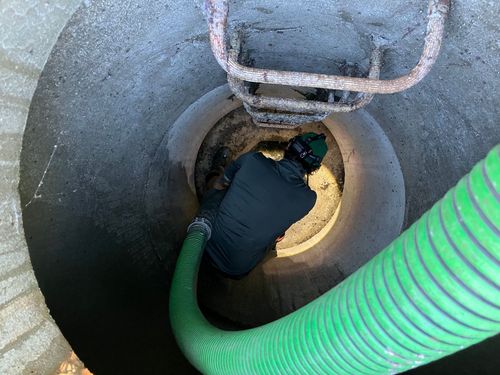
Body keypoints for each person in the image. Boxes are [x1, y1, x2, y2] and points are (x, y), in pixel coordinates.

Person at [197, 132, 328, 279]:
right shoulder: (309, 199)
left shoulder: (251, 160)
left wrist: (222, 179)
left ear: (289, 145)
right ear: (314, 169)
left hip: (200, 242)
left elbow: (220, 184)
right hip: (237, 270)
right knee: (278, 235)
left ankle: (215, 171)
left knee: (220, 185)